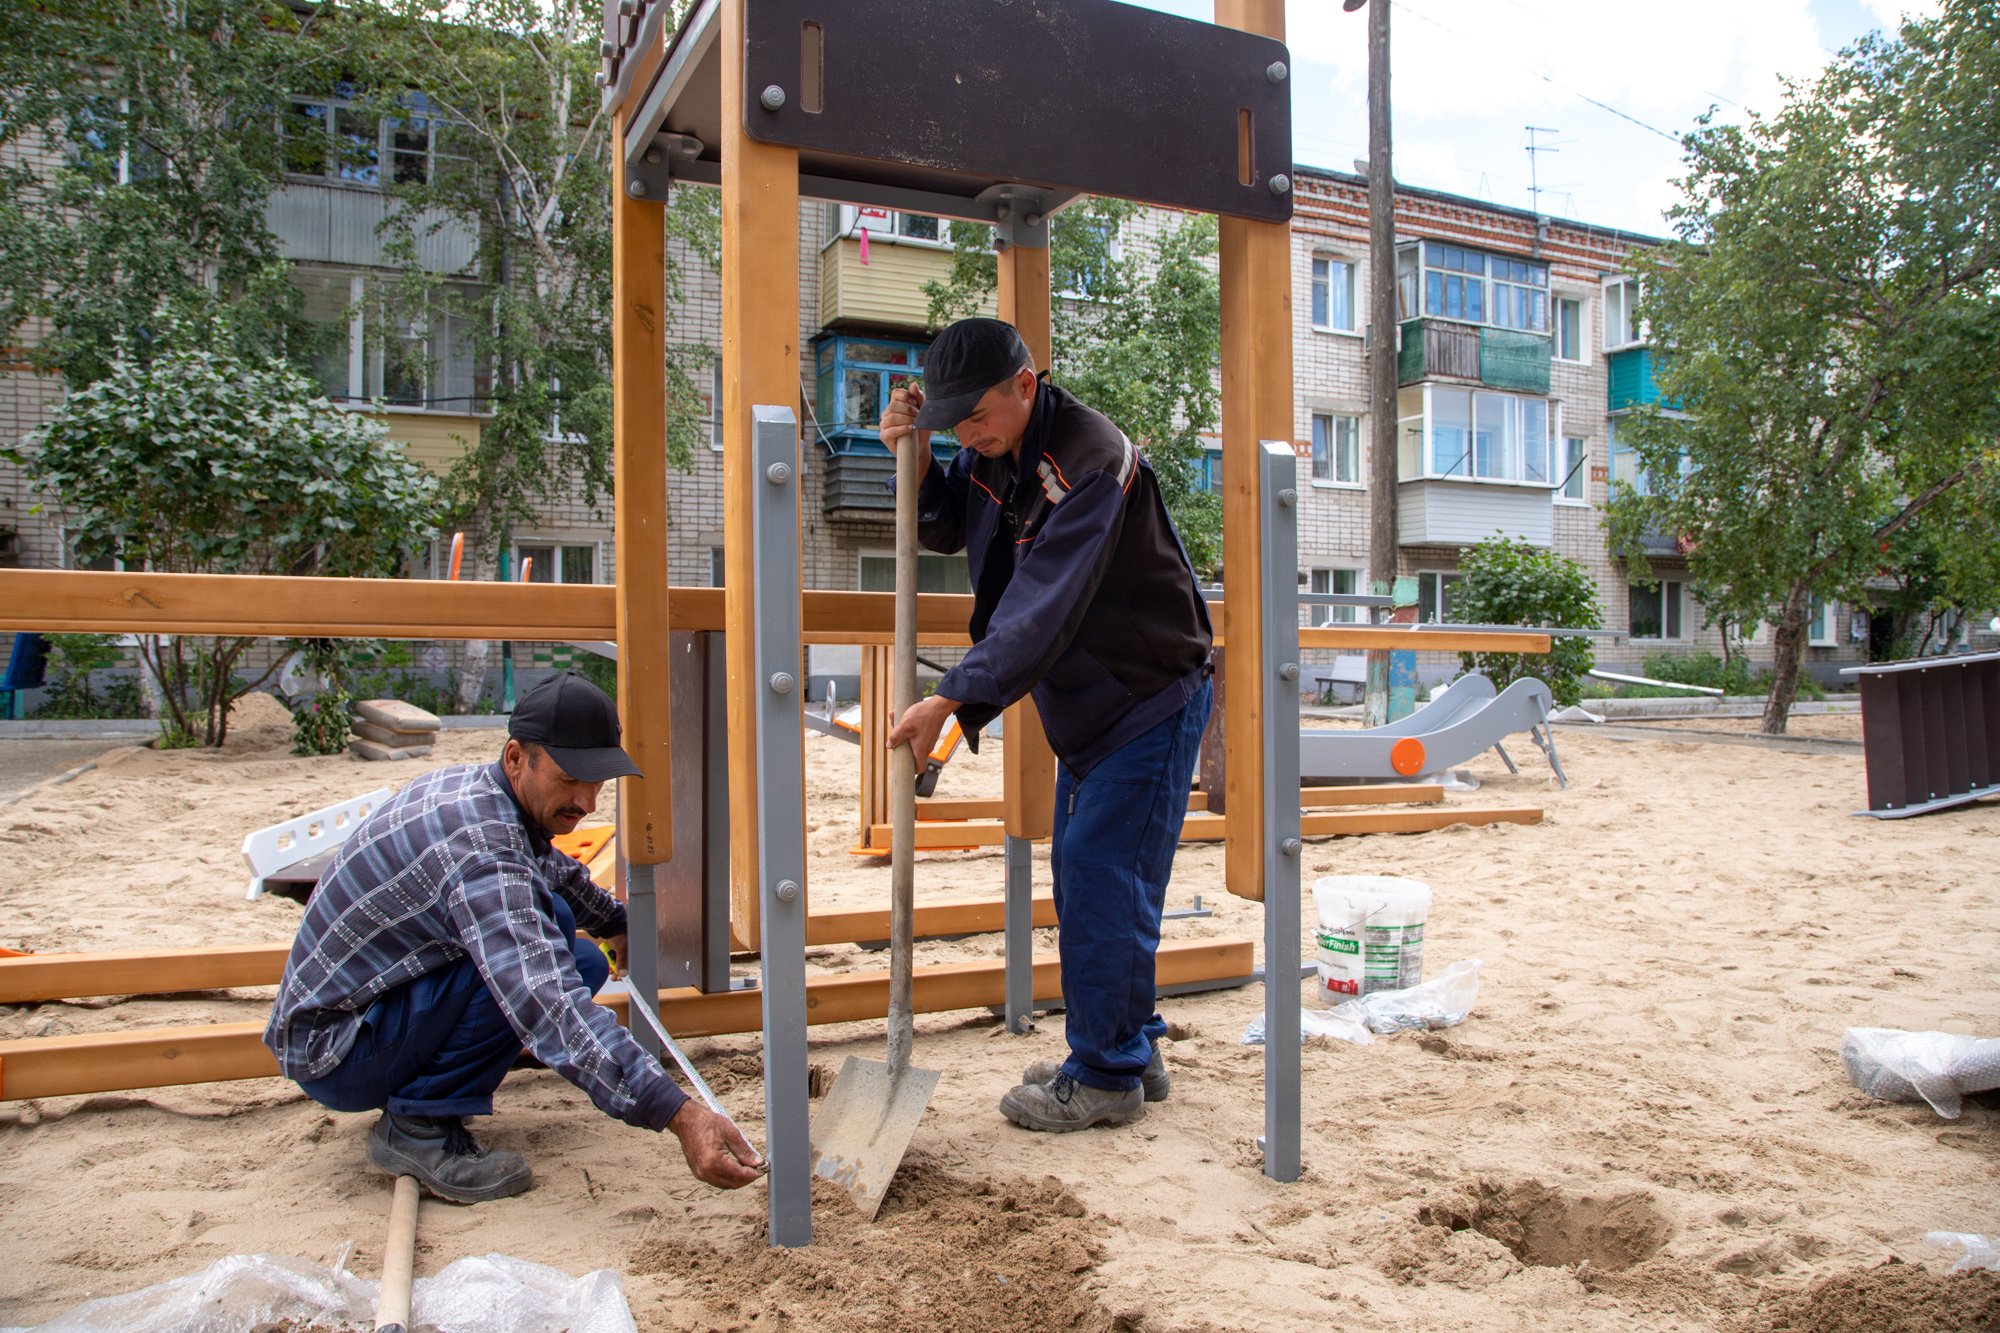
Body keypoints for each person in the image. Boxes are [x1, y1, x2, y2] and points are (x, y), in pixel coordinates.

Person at [880, 316, 1214, 1133]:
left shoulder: (1089, 462)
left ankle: (1105, 1075)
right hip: (1093, 704)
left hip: (1145, 696)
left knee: (1103, 869)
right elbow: (951, 523)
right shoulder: (995, 445)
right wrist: (920, 461)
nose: (967, 432)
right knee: (1093, 873)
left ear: (1026, 385)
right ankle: (1127, 1041)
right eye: (952, 422)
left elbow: (1039, 612)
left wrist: (951, 699)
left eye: (977, 416)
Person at [263, 672, 763, 1202]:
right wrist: (678, 1114)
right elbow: (544, 999)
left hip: (362, 1011)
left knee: (580, 957)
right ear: (516, 758)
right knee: (531, 971)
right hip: (337, 1050)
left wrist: (616, 923)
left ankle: (458, 1065)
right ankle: (417, 1129)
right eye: (572, 778)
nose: (588, 801)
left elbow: (551, 870)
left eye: (598, 782)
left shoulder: (479, 794)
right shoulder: (480, 850)